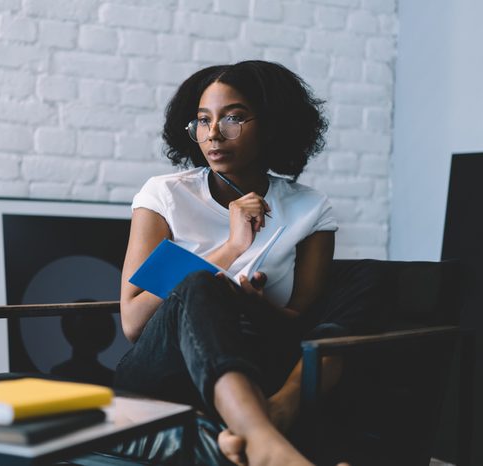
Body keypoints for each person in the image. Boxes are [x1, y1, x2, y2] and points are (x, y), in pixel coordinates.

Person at [113, 60, 348, 466]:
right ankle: (264, 443)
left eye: (233, 118)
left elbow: (299, 323)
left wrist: (255, 305)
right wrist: (230, 249)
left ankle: (246, 431)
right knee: (200, 285)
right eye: (203, 121)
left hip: (258, 359)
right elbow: (134, 323)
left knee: (351, 312)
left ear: (272, 126)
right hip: (163, 369)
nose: (213, 134)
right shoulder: (165, 196)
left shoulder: (310, 209)